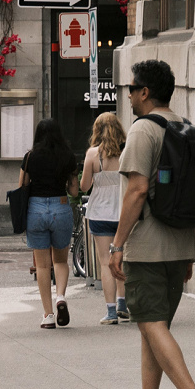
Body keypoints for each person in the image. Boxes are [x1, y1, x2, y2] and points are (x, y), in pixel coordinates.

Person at [109, 61, 195, 389]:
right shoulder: (183, 127)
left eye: (131, 88)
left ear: (145, 92)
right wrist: (189, 252)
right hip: (180, 246)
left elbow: (137, 190)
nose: (128, 95)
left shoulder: (144, 129)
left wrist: (116, 245)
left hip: (147, 248)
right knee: (153, 328)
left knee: (151, 323)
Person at [21, 119, 79, 329]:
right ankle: (61, 297)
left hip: (36, 209)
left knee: (43, 265)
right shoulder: (68, 156)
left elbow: (22, 185)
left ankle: (48, 315)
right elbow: (74, 190)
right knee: (61, 261)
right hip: (60, 207)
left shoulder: (30, 157)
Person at [81, 111, 128, 324]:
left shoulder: (93, 154)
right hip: (124, 213)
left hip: (100, 213)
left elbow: (84, 186)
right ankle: (122, 304)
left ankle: (110, 312)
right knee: (121, 259)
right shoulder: (126, 151)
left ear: (97, 130)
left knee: (105, 262)